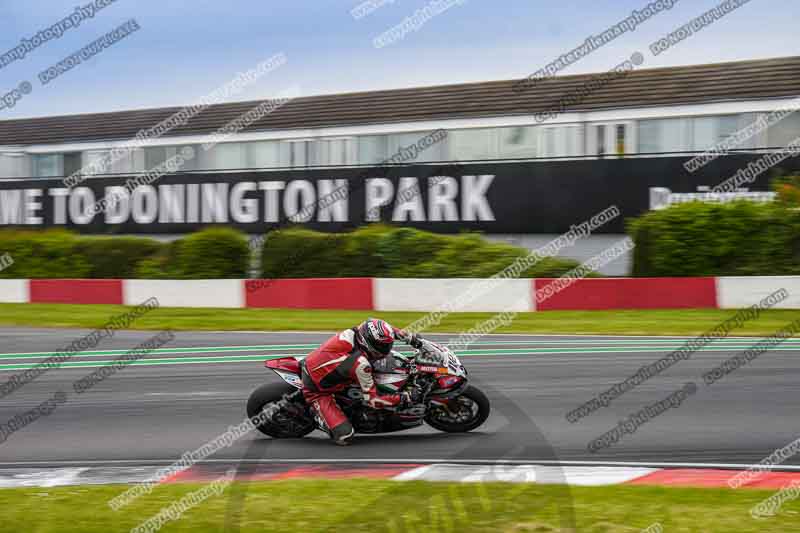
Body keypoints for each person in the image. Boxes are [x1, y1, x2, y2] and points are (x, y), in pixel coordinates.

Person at [300, 318, 423, 445]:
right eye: (382, 346)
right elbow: (374, 401)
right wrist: (404, 398)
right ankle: (316, 414)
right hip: (317, 389)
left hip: (327, 365)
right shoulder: (360, 364)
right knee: (345, 436)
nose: (387, 348)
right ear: (368, 343)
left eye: (387, 345)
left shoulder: (361, 331)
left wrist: (412, 338)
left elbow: (387, 332)